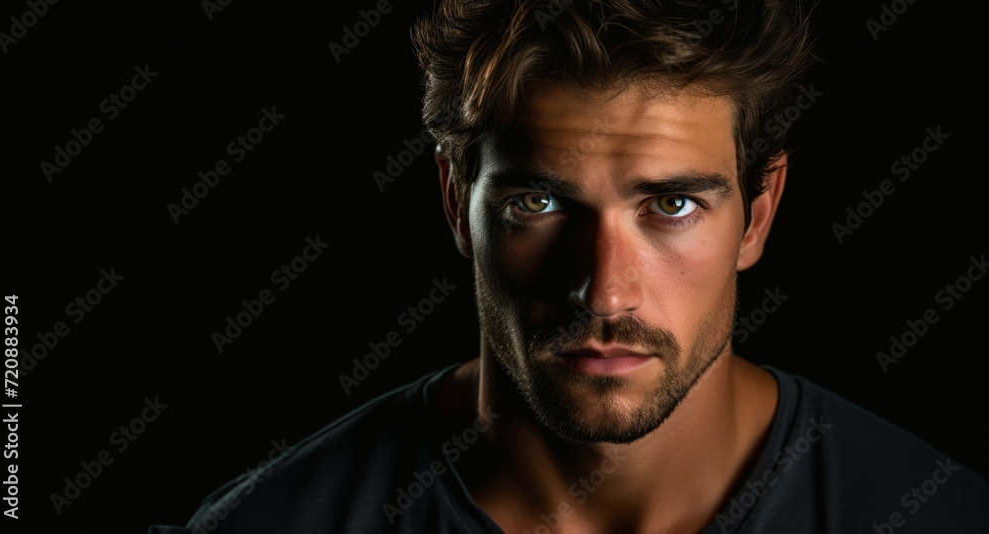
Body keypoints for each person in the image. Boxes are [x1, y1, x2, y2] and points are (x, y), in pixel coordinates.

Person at [149, 0, 989, 532]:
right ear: (456, 202)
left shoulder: (936, 514)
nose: (606, 288)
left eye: (672, 205)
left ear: (758, 212)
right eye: (539, 204)